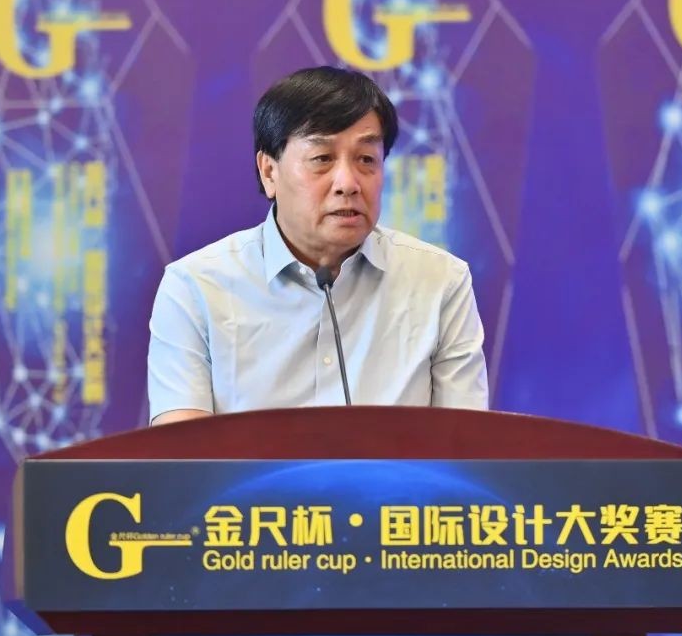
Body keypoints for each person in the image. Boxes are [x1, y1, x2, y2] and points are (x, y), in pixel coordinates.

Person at [148, 66, 488, 425]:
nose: (348, 183)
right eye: (322, 159)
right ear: (269, 171)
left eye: (366, 160)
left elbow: (467, 443)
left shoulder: (441, 282)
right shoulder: (195, 288)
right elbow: (182, 450)